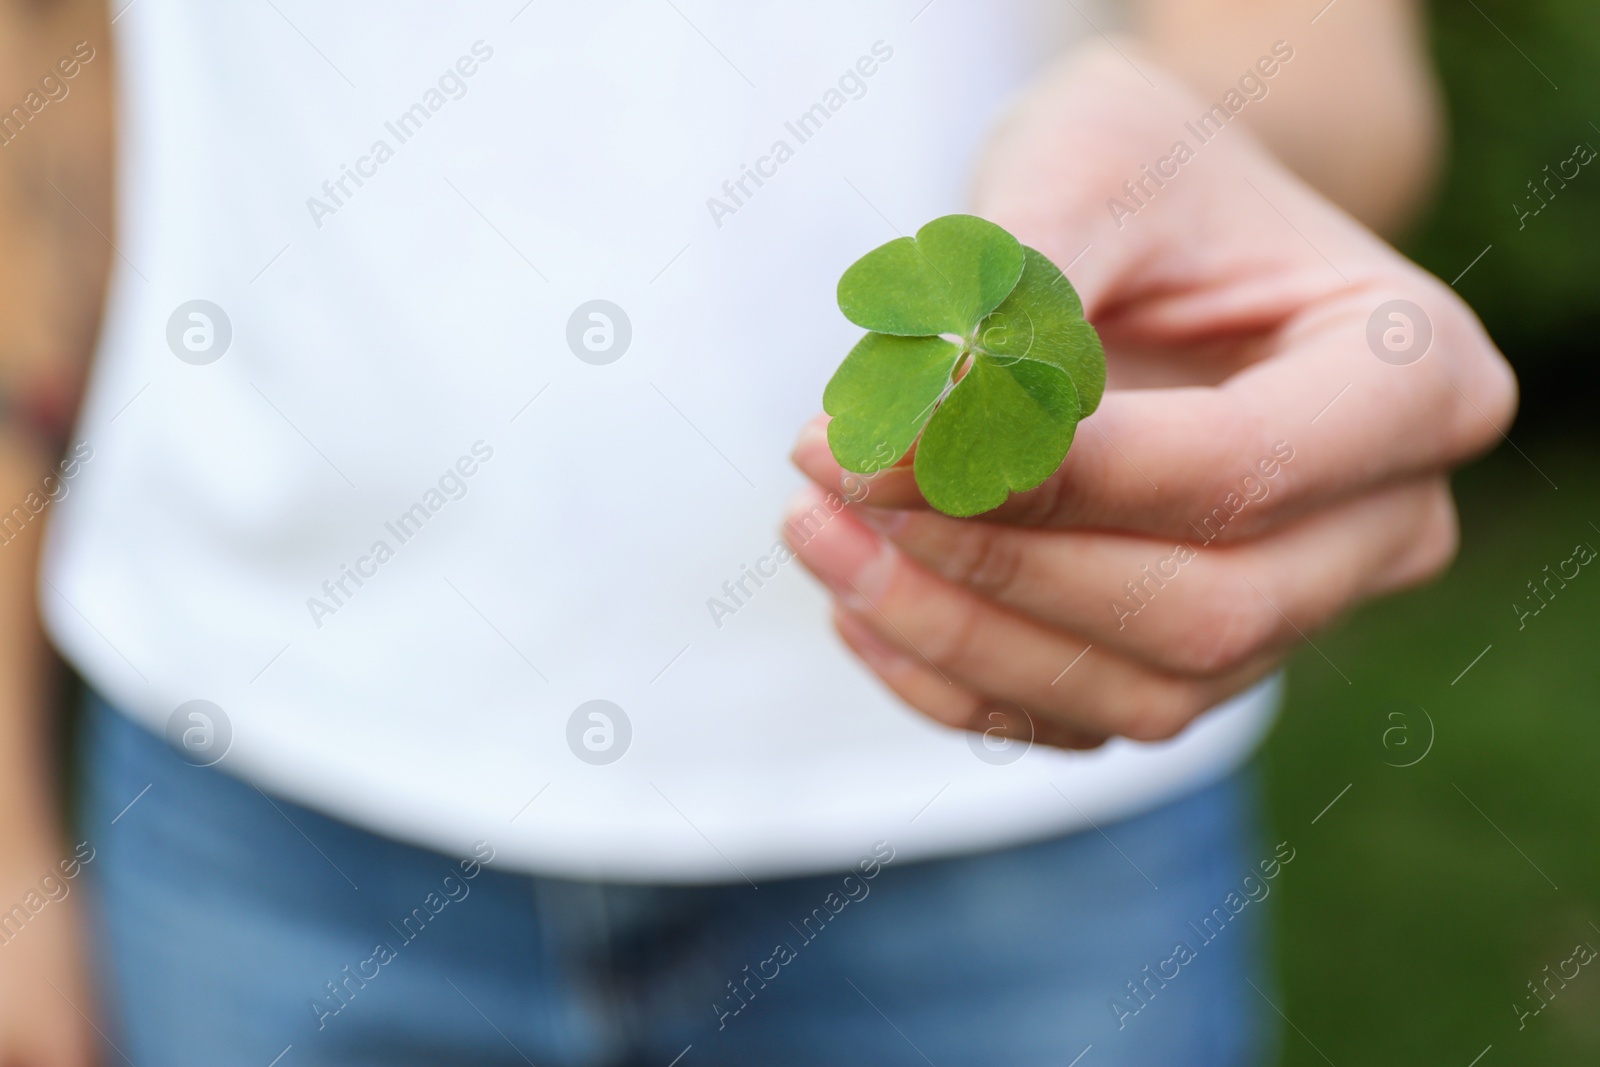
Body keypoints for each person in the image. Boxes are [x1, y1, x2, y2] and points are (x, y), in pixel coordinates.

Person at [0, 1, 1513, 1063]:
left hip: (1019, 821)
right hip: (260, 765)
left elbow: (1313, 57)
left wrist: (1220, 173)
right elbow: (43, 75)